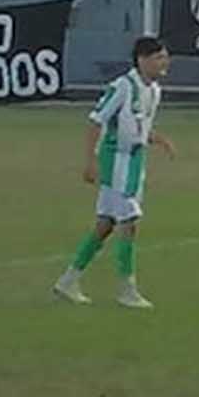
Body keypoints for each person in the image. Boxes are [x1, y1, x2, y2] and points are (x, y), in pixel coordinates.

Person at [54, 37, 174, 309]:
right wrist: (90, 161)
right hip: (116, 161)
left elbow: (138, 126)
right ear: (142, 59)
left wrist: (158, 139)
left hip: (135, 161)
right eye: (159, 57)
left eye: (165, 57)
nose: (164, 62)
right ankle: (127, 289)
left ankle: (68, 280)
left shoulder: (154, 90)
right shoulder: (123, 86)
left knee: (105, 225)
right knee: (129, 221)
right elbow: (96, 121)